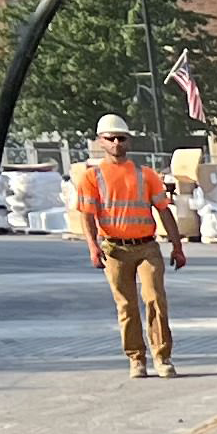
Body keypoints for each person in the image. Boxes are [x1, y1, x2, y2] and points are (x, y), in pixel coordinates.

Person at [74, 114, 182, 377]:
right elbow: (87, 215)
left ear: (129, 141)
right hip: (115, 249)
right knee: (126, 305)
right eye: (110, 139)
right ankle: (136, 358)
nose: (116, 143)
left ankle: (162, 357)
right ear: (100, 142)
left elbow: (164, 211)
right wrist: (92, 246)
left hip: (146, 247)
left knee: (155, 299)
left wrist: (177, 246)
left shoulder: (145, 175)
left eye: (121, 138)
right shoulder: (92, 177)